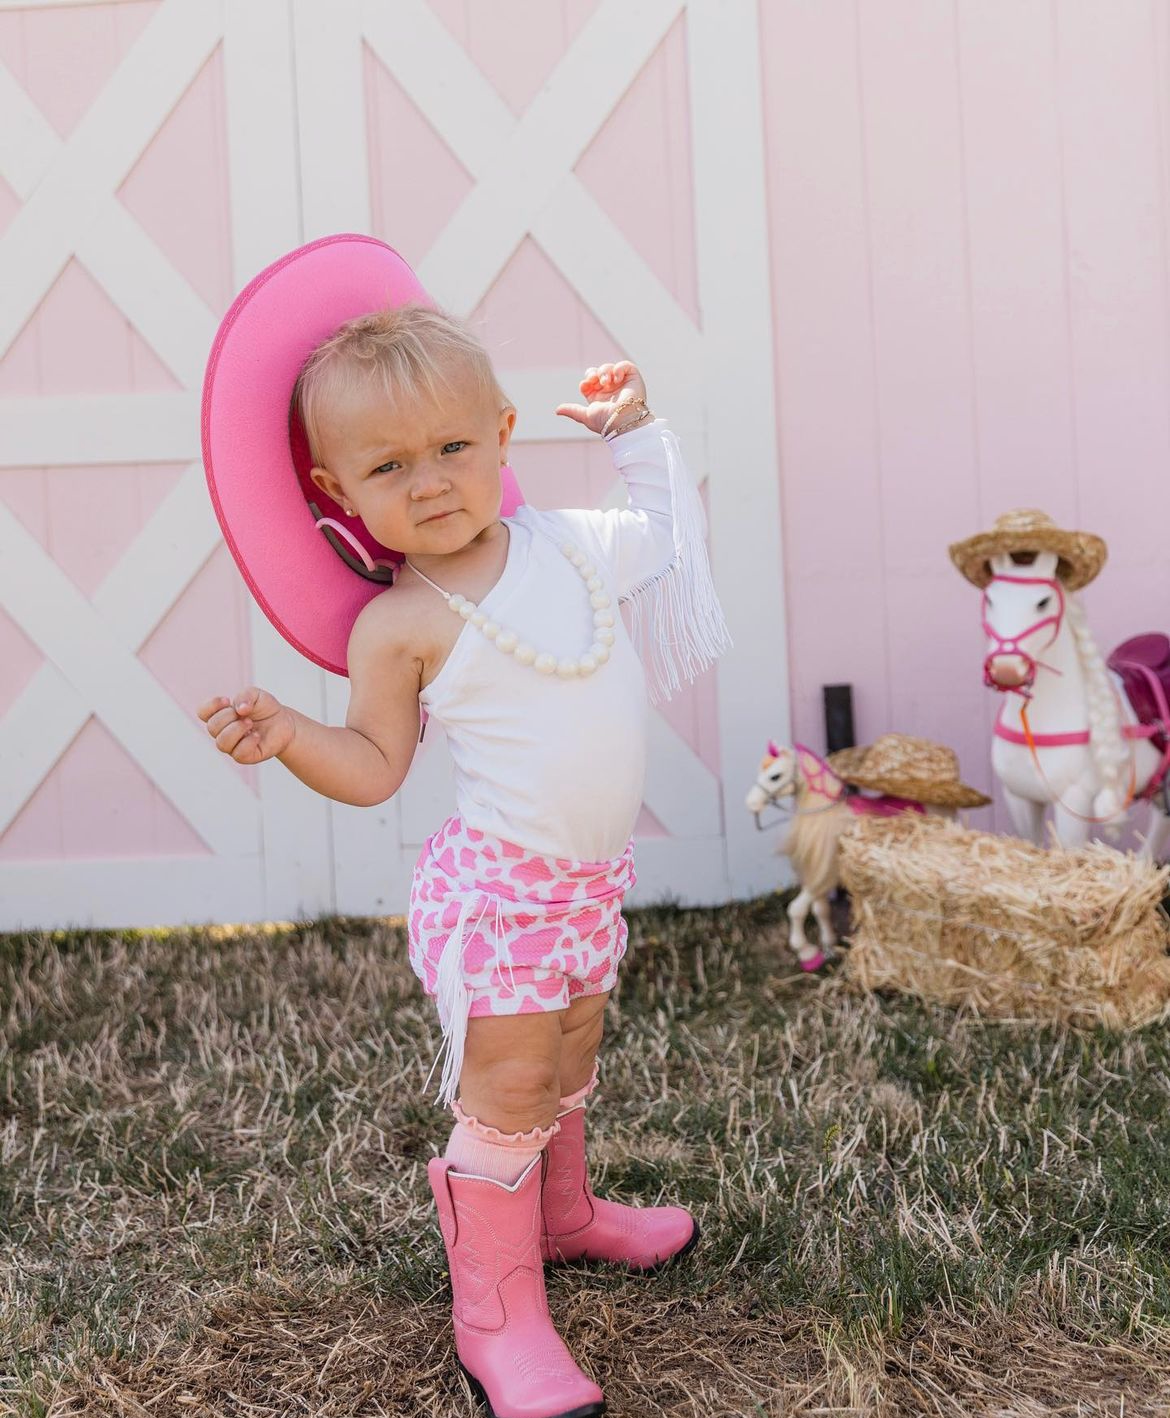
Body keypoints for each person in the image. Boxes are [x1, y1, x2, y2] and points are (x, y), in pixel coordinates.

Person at [199, 241, 729, 1418]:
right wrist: (290, 732)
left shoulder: (569, 546)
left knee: (573, 1049)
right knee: (508, 1081)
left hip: (588, 883)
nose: (430, 480)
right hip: (501, 899)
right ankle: (498, 1315)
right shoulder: (399, 625)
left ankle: (566, 1212)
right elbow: (379, 764)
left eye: (451, 446)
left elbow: (663, 531)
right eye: (389, 465)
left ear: (499, 433)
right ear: (339, 492)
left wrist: (634, 430)